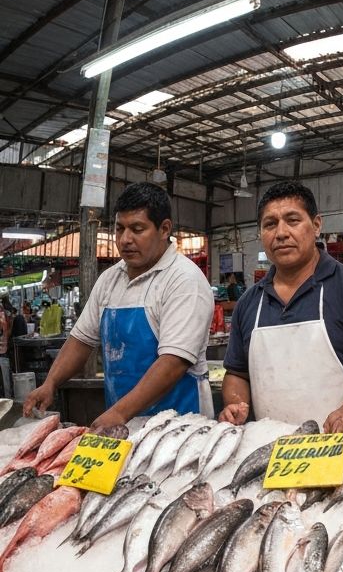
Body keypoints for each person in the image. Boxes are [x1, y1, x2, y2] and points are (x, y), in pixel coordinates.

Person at [23, 182, 215, 427]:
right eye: (119, 229)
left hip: (180, 427)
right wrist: (50, 383)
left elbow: (173, 363)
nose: (125, 240)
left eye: (137, 229)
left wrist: (119, 413)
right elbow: (81, 340)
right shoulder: (109, 279)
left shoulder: (184, 279)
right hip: (123, 425)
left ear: (164, 228)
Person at [219, 181, 343, 432]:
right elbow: (237, 373)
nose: (281, 233)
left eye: (292, 220)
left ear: (316, 226)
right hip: (270, 447)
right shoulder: (249, 302)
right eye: (270, 224)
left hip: (336, 445)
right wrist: (236, 404)